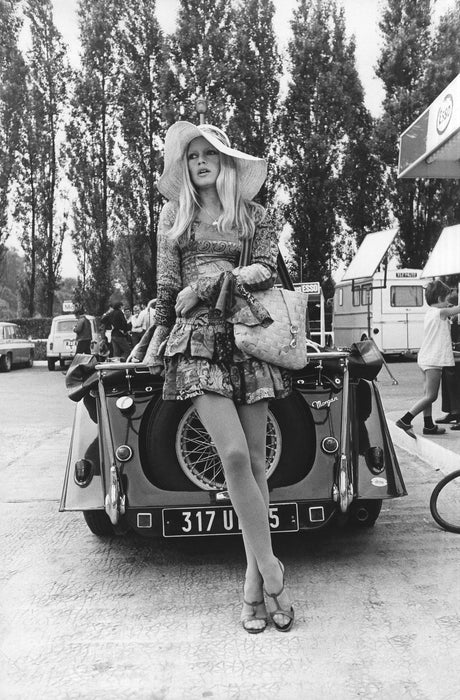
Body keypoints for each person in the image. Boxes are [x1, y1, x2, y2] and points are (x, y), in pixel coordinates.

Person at [129, 121, 294, 633]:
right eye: (192, 155)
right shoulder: (172, 216)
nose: (200, 162)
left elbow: (265, 268)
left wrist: (212, 282)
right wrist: (153, 337)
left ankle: (252, 585)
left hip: (244, 337)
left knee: (257, 466)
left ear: (225, 162)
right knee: (237, 455)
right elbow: (166, 287)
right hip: (195, 341)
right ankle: (272, 567)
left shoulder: (254, 214)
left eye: (209, 155)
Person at [396, 280, 460, 437]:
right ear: (439, 299)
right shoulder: (440, 313)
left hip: (425, 357)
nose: (448, 304)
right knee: (431, 396)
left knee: (427, 395)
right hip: (432, 360)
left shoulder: (430, 313)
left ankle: (429, 425)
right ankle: (405, 420)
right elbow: (457, 309)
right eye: (446, 299)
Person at [435, 291, 460, 429]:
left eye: (451, 306)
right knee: (448, 382)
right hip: (450, 355)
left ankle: (457, 412)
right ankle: (453, 411)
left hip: (457, 355)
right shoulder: (449, 319)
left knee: (456, 383)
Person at [101, 295, 131, 360]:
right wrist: (125, 331)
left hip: (113, 334)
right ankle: (122, 360)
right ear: (120, 306)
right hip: (120, 334)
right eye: (122, 306)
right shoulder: (120, 313)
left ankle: (115, 363)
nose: (123, 307)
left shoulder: (111, 313)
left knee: (116, 352)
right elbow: (124, 323)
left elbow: (102, 320)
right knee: (127, 350)